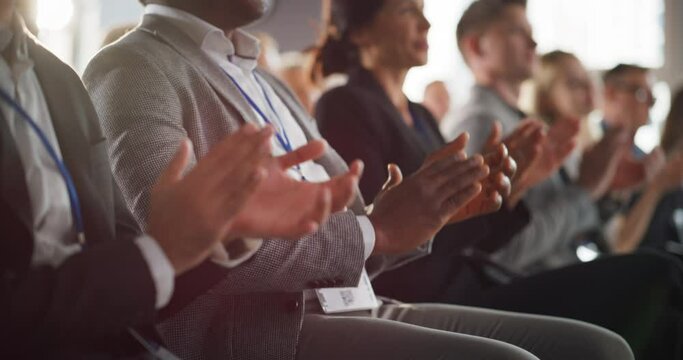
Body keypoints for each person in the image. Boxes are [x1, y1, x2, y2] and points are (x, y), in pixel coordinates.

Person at [84, 0, 634, 359]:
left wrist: (420, 214)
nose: (423, 21)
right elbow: (178, 248)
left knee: (599, 350)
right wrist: (375, 231)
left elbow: (354, 235)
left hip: (354, 299)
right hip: (261, 331)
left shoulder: (264, 82)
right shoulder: (131, 67)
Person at [0, 0, 340, 358]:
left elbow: (127, 257)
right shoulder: (126, 66)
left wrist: (227, 236)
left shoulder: (53, 77)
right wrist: (373, 233)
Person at [446, 1, 683, 358]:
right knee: (662, 273)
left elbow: (579, 224)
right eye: (516, 32)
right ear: (478, 47)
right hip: (515, 285)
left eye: (531, 33)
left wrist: (607, 192)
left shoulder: (523, 122)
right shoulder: (482, 124)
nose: (533, 44)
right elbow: (499, 248)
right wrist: (586, 191)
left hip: (557, 269)